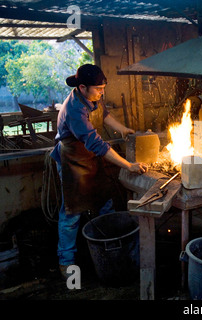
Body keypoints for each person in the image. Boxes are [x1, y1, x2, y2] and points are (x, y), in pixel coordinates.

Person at [50, 64, 148, 279]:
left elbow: (103, 114)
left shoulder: (93, 95)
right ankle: (66, 261)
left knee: (105, 202)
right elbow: (98, 145)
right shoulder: (75, 109)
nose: (102, 92)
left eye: (103, 88)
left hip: (91, 158)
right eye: (98, 89)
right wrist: (129, 165)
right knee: (72, 212)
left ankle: (111, 244)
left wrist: (121, 129)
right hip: (73, 161)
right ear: (83, 87)